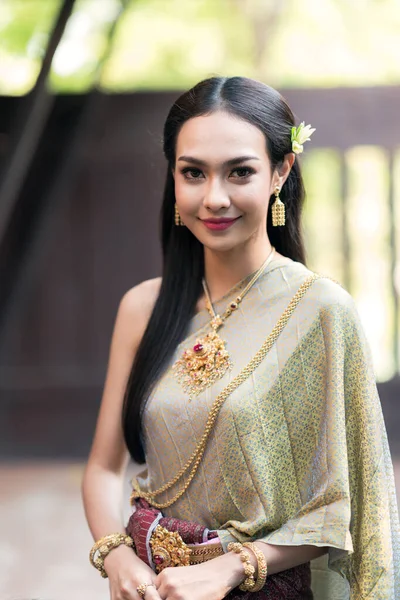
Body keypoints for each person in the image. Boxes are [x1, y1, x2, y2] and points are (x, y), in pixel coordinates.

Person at [82, 76, 400, 600]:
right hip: (151, 587)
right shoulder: (143, 308)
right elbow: (102, 466)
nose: (214, 198)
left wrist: (234, 566)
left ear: (280, 171)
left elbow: (341, 508)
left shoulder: (319, 310)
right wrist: (115, 556)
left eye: (240, 172)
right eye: (193, 173)